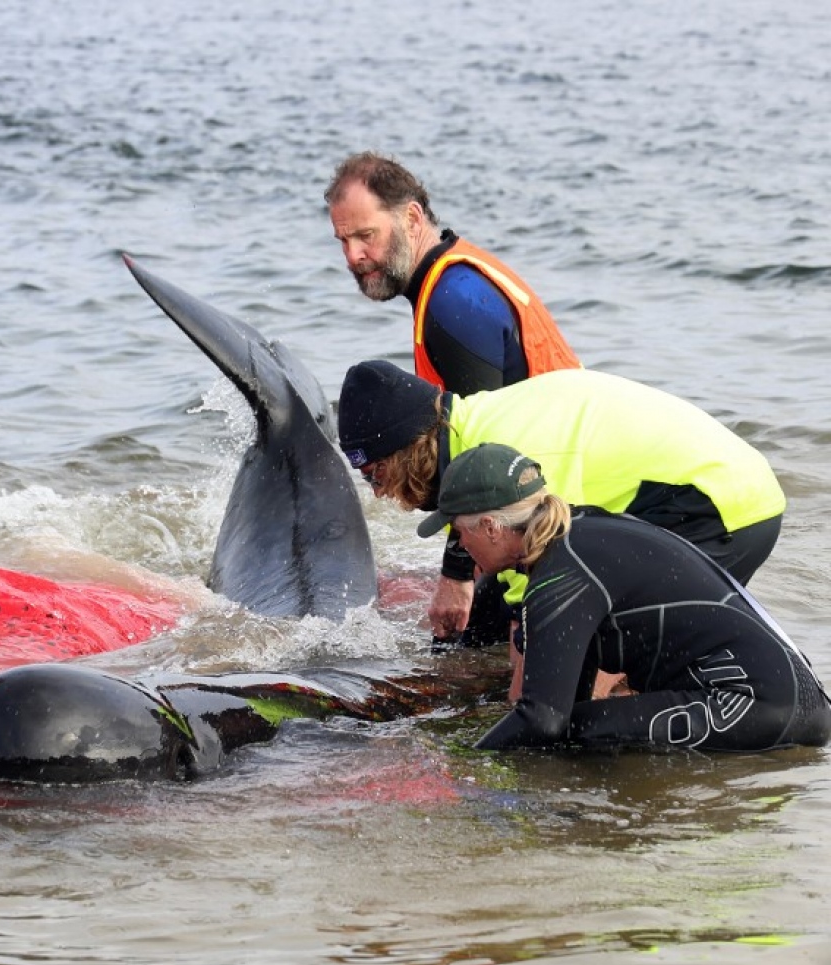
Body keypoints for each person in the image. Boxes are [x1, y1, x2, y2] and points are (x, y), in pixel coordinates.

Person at [336, 361, 786, 648]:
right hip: (689, 489)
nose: (377, 492)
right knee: (479, 625)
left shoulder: (521, 455)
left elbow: (538, 606)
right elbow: (473, 508)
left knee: (599, 637)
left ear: (411, 450)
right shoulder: (472, 424)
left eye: (376, 475)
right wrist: (455, 578)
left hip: (722, 506)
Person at [417, 443, 829, 751]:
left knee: (571, 735)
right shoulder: (580, 534)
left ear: (491, 526)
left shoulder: (561, 575)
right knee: (568, 730)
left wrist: (459, 768)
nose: (459, 544)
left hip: (754, 705)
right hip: (796, 698)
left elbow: (543, 721)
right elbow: (559, 700)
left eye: (458, 530)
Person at [324, 152, 581, 394]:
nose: (352, 255)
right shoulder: (449, 279)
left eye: (365, 235)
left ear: (412, 219)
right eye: (343, 240)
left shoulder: (454, 299)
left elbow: (484, 437)